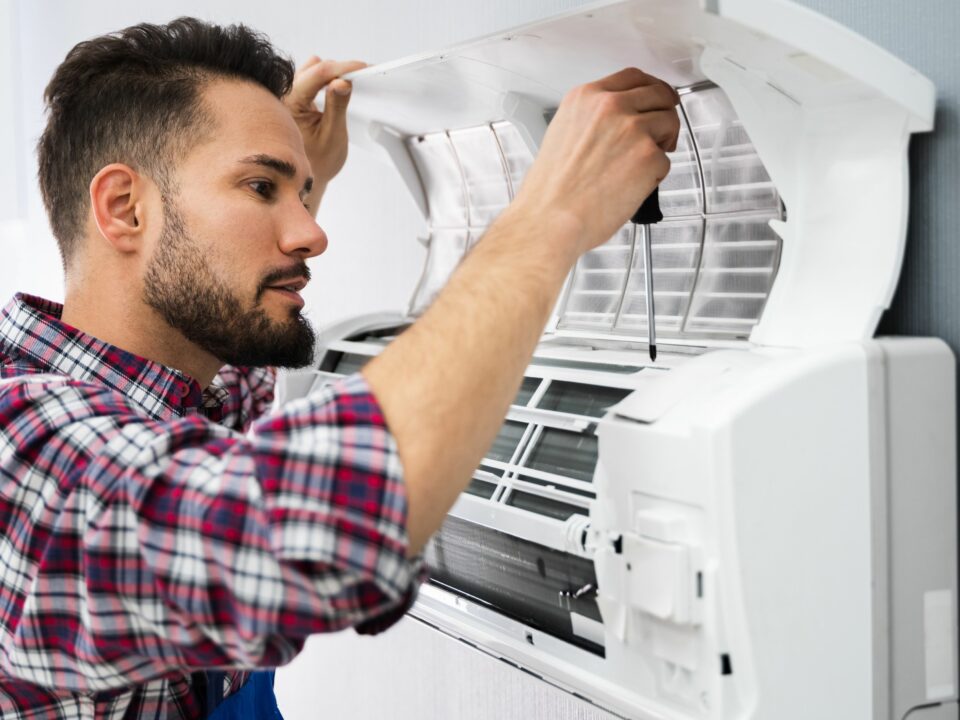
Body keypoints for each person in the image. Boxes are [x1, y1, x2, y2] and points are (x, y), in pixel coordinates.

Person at [0, 16, 679, 720]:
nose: (312, 233)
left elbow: (231, 361)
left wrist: (283, 169)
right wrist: (550, 216)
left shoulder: (181, 393)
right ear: (124, 209)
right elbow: (292, 531)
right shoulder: (22, 446)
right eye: (261, 188)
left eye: (301, 196)